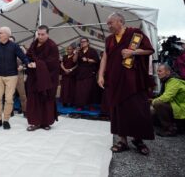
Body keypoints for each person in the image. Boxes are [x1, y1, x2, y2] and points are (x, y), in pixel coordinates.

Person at [98, 12, 154, 155]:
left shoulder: (135, 34)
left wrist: (133, 52)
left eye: (111, 23)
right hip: (114, 80)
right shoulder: (109, 39)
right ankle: (122, 141)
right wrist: (100, 75)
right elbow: (105, 57)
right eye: (108, 23)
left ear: (120, 22)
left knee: (137, 109)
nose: (108, 26)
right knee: (118, 111)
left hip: (133, 80)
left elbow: (149, 50)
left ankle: (138, 139)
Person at [0, 27, 30, 130]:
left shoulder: (14, 46)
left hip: (12, 76)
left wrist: (28, 64)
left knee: (9, 99)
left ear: (7, 35)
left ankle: (6, 120)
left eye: (0, 33)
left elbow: (23, 57)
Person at [26, 25, 60, 131]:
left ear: (47, 34)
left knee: (46, 99)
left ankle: (45, 122)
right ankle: (35, 122)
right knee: (34, 99)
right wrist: (28, 63)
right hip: (34, 77)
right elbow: (28, 55)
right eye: (38, 34)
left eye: (42, 34)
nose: (40, 36)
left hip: (48, 79)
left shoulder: (52, 46)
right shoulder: (34, 44)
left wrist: (38, 65)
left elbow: (53, 63)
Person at [151, 63, 185, 136]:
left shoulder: (174, 81)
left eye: (160, 71)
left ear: (168, 72)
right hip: (176, 107)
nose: (158, 73)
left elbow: (165, 98)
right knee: (151, 113)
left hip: (181, 109)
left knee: (158, 104)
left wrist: (153, 102)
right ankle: (177, 126)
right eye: (157, 71)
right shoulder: (167, 80)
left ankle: (170, 129)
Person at [73, 38, 100, 110]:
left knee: (90, 89)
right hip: (80, 73)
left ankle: (90, 105)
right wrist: (76, 53)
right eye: (81, 42)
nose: (82, 43)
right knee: (80, 90)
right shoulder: (79, 51)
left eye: (84, 42)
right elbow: (74, 60)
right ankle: (80, 105)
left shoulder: (93, 51)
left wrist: (87, 59)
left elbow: (96, 60)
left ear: (88, 43)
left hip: (90, 72)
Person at [9, 36, 28, 116]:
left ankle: (25, 111)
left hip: (19, 75)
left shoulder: (19, 51)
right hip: (9, 75)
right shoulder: (4, 51)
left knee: (22, 94)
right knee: (10, 95)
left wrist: (22, 67)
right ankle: (10, 111)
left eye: (12, 41)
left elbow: (26, 62)